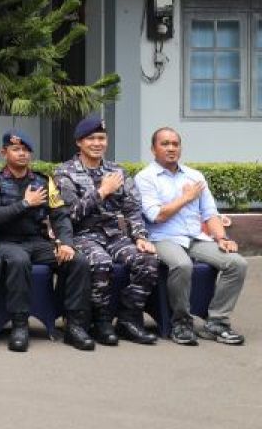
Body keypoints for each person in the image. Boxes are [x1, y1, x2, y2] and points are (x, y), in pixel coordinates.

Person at [0, 131, 94, 352]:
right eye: (16, 149)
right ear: (4, 152)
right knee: (19, 260)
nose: (22, 154)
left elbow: (59, 215)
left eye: (25, 150)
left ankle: (74, 325)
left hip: (37, 241)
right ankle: (20, 324)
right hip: (6, 242)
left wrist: (66, 242)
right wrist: (25, 204)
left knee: (77, 260)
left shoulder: (44, 181)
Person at [54, 115, 159, 345]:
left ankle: (128, 318)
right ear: (79, 142)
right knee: (100, 262)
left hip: (114, 235)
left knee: (148, 260)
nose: (97, 143)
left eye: (101, 138)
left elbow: (132, 209)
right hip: (82, 235)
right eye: (91, 138)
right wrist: (101, 192)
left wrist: (140, 237)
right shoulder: (64, 172)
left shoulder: (117, 171)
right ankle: (100, 321)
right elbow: (69, 214)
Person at [138, 127, 247, 346]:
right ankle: (181, 322)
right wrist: (186, 198)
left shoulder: (195, 176)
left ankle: (217, 322)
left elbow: (210, 214)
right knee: (182, 265)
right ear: (153, 149)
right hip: (162, 238)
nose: (171, 148)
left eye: (175, 144)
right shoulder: (145, 178)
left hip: (195, 238)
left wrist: (222, 238)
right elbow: (156, 216)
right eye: (165, 144)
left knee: (237, 263)